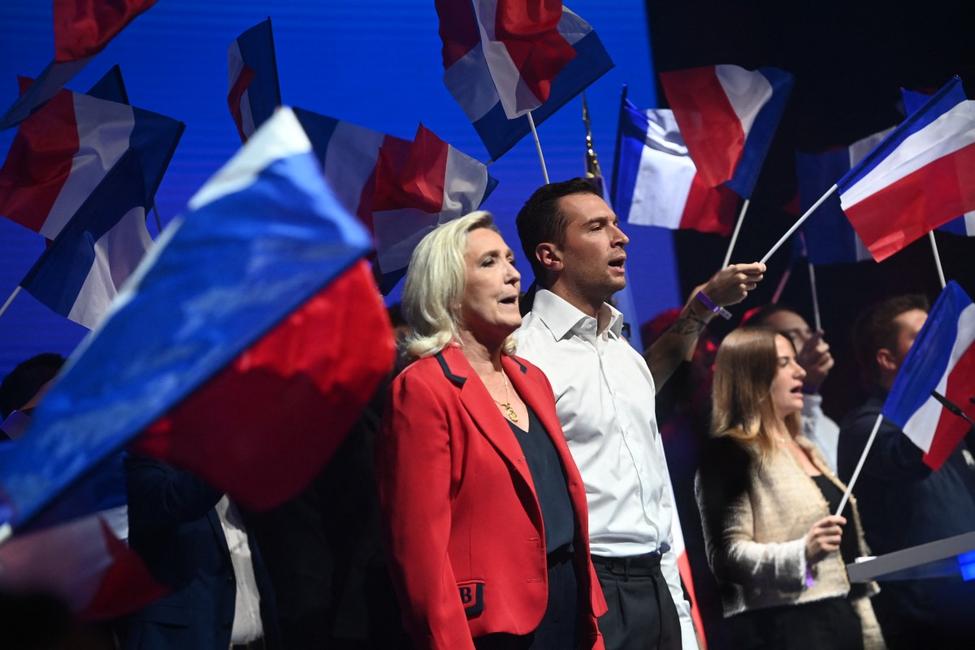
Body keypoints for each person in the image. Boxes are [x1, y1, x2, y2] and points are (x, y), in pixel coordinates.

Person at [514, 177, 765, 650]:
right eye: (597, 227)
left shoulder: (623, 351)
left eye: (616, 223)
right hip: (586, 586)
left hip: (657, 576)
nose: (621, 236)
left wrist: (678, 604)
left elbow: (655, 492)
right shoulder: (523, 355)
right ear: (550, 256)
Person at [377, 211, 606, 649]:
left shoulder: (531, 378)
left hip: (568, 609)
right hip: (493, 627)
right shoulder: (424, 389)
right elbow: (419, 554)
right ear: (448, 292)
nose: (513, 275)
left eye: (510, 260)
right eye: (489, 263)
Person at [696, 328, 884, 650]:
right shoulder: (730, 455)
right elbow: (726, 557)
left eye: (796, 361)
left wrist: (869, 630)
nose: (800, 371)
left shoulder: (805, 447)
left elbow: (846, 560)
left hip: (840, 619)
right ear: (750, 378)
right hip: (784, 630)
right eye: (784, 363)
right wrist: (801, 552)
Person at [837, 295, 975, 649]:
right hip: (922, 617)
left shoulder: (948, 424)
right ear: (887, 359)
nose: (941, 341)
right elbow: (908, 458)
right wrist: (959, 383)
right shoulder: (865, 428)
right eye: (923, 335)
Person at [122, 455, 281, 650]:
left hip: (259, 641)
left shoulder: (237, 482)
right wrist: (230, 456)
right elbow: (178, 499)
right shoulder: (145, 465)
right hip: (183, 641)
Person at [744, 305, 840, 470]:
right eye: (792, 336)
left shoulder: (830, 427)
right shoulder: (753, 438)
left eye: (808, 332)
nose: (811, 341)